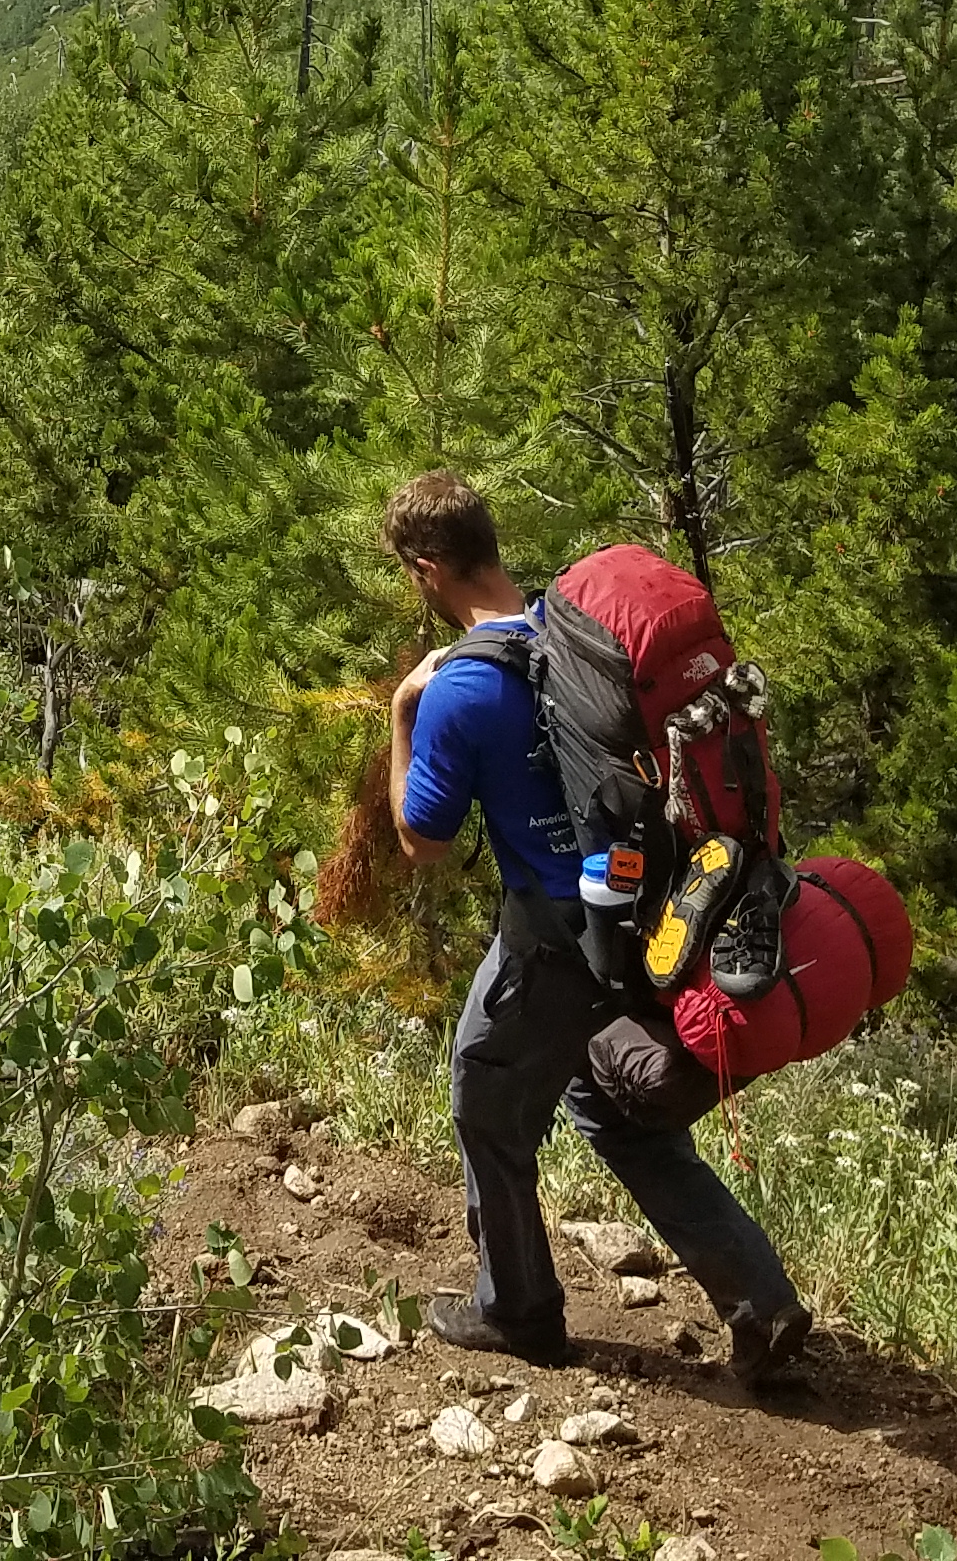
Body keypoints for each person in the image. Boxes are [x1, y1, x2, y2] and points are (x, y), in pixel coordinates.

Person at [383, 467, 812, 1384]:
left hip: (555, 941)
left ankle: (520, 1311)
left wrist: (402, 712)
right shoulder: (572, 636)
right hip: (648, 922)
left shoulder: (459, 690)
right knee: (620, 1116)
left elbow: (421, 842)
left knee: (483, 1101)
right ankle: (760, 1302)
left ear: (426, 569)